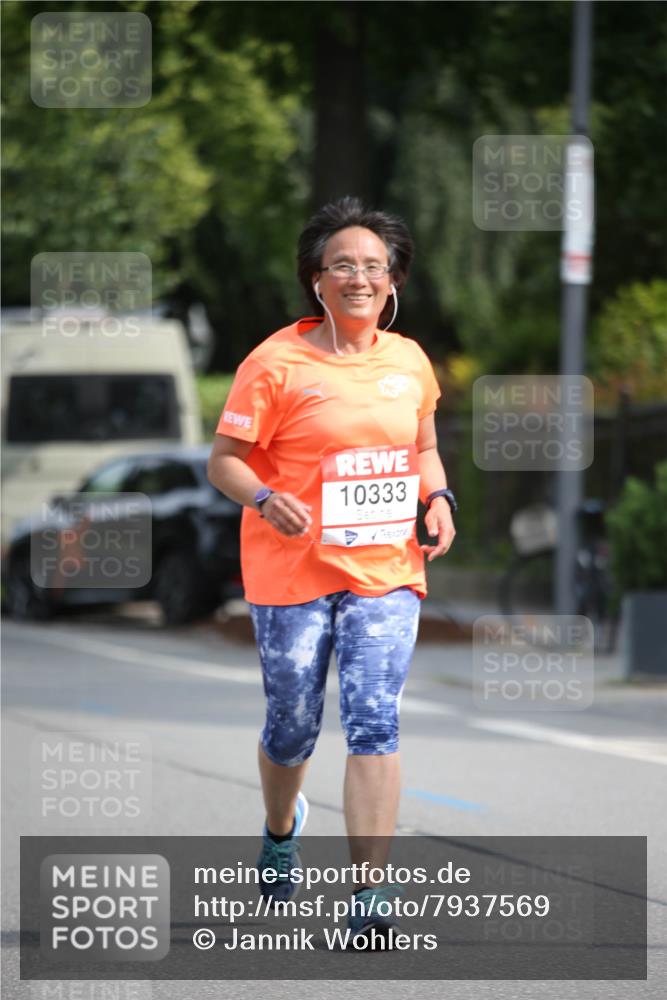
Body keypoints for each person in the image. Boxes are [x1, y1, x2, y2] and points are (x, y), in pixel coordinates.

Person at [207, 196, 456, 941]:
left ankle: (368, 897)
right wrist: (265, 497)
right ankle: (281, 828)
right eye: (342, 265)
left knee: (374, 721)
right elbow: (224, 462)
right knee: (291, 723)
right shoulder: (275, 362)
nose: (359, 277)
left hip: (384, 567)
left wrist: (437, 495)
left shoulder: (408, 360)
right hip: (292, 571)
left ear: (393, 280)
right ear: (317, 280)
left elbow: (421, 449)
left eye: (373, 267)